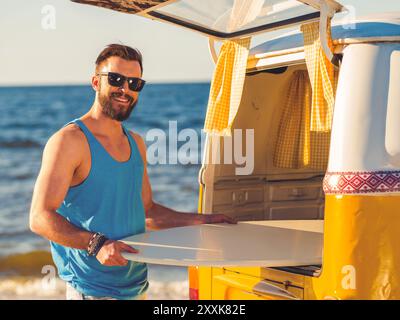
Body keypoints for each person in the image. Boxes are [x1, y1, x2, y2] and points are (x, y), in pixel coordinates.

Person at [29, 44, 236, 300]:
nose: (125, 89)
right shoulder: (69, 141)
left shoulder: (135, 142)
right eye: (116, 79)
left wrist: (202, 221)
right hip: (93, 291)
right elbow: (39, 217)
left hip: (137, 287)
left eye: (134, 83)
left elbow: (147, 211)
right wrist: (96, 244)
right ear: (96, 82)